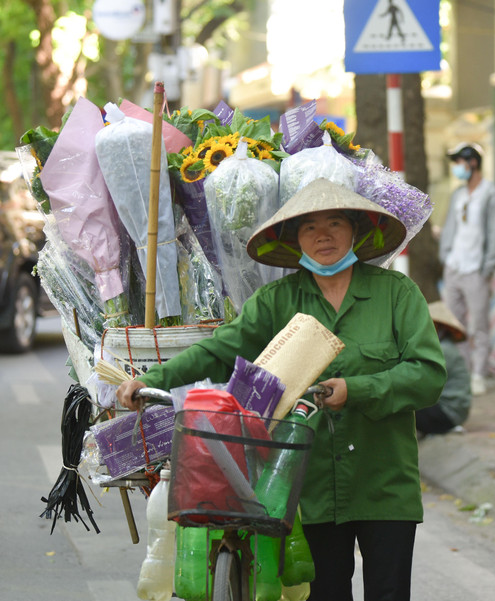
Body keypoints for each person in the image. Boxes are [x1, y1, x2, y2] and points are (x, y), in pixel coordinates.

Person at [116, 178, 447, 601]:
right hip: (308, 489)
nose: (323, 235)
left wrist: (357, 389)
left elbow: (428, 375)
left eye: (335, 223)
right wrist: (151, 380)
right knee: (325, 595)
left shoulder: (397, 294)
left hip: (385, 483)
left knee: (389, 592)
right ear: (295, 240)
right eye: (309, 227)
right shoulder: (276, 302)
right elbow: (219, 350)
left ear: (355, 230)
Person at [439, 142, 495, 396]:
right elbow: (450, 225)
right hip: (454, 266)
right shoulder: (458, 194)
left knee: (479, 325)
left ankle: (478, 374)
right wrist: (445, 255)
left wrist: (487, 266)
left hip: (476, 269)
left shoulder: (491, 194)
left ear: (473, 163)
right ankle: (462, 372)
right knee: (454, 325)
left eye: (459, 162)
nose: (457, 168)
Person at [415, 301, 471, 436]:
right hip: (452, 411)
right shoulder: (444, 347)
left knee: (403, 404)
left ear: (439, 327)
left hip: (449, 413)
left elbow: (422, 382)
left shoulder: (443, 350)